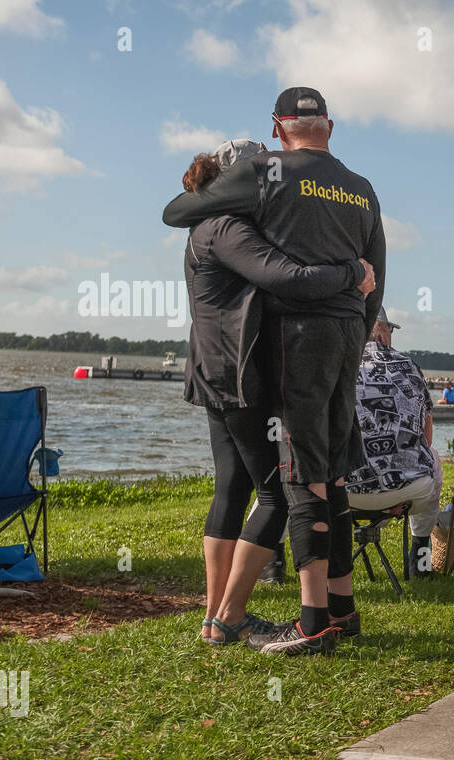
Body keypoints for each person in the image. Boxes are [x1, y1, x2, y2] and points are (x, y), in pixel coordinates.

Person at [163, 87, 386, 656]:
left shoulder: (265, 173)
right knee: (326, 472)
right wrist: (357, 326)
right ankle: (334, 607)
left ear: (278, 128)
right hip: (335, 337)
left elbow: (177, 212)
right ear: (329, 127)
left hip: (289, 341)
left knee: (299, 476)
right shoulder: (362, 188)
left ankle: (310, 621)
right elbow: (373, 277)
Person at [344, 310, 441, 577]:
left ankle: (275, 562)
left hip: (343, 491)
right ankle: (420, 558)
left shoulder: (337, 365)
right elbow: (426, 437)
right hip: (408, 490)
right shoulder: (409, 366)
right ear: (383, 331)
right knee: (432, 456)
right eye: (391, 331)